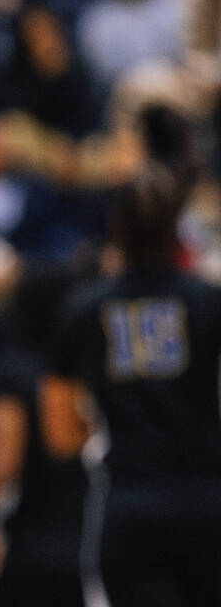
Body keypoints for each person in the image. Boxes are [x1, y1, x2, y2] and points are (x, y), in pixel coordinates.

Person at [42, 162, 221, 607]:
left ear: (116, 226)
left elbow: (61, 436)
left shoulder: (84, 310)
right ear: (178, 225)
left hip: (129, 506)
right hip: (209, 502)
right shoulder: (209, 301)